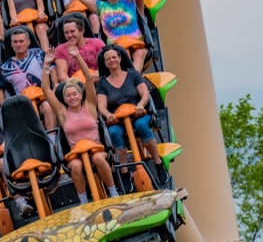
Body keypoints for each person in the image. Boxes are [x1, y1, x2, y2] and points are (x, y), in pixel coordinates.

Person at [41, 50, 118, 202]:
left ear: (81, 95)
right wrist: (46, 65)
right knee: (75, 166)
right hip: (76, 153)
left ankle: (113, 192)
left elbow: (89, 79)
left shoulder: (89, 106)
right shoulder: (62, 113)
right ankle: (83, 201)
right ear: (64, 99)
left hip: (96, 148)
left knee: (97, 158)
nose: (72, 97)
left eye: (74, 94)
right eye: (68, 95)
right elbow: (45, 89)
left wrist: (77, 56)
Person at [95, 45, 169, 189]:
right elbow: (101, 106)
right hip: (118, 119)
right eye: (108, 59)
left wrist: (140, 105)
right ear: (104, 63)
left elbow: (145, 94)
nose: (111, 60)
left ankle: (158, 162)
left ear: (120, 58)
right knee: (114, 133)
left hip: (138, 113)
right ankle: (124, 171)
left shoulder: (133, 74)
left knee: (141, 125)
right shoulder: (103, 83)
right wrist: (109, 115)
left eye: (114, 57)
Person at [70, 0, 149, 70]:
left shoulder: (127, 0)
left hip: (135, 41)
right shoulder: (101, 6)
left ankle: (135, 78)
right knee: (121, 54)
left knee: (140, 53)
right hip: (116, 45)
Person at [0, 28, 56, 130]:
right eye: (15, 42)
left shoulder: (38, 54)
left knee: (47, 107)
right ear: (11, 44)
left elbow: (52, 69)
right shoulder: (5, 68)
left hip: (43, 97)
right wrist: (4, 105)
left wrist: (55, 85)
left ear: (28, 42)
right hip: (24, 103)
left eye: (21, 41)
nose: (18, 44)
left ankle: (52, 141)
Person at [53, 14, 105, 81]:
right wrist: (75, 85)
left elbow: (103, 66)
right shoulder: (60, 49)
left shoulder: (97, 43)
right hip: (75, 84)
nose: (69, 35)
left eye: (72, 31)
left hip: (97, 80)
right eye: (66, 33)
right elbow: (62, 74)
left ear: (82, 31)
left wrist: (96, 75)